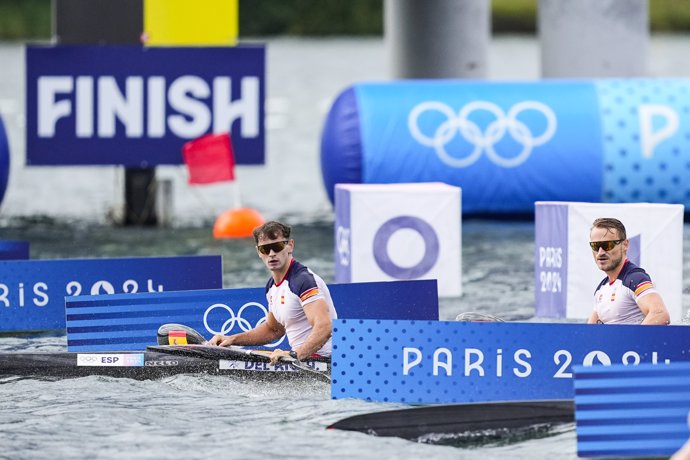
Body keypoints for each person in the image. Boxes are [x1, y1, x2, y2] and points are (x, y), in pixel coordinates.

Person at [208, 221, 338, 364]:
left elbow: (325, 326)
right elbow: (273, 330)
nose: (271, 254)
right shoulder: (271, 286)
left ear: (290, 246)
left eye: (277, 247)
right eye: (265, 249)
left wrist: (294, 356)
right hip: (302, 360)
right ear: (258, 252)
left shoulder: (303, 281)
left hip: (327, 361)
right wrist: (231, 339)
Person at [587, 217, 670, 325]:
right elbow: (589, 332)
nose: (600, 252)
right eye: (596, 246)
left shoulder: (635, 279)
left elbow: (660, 314)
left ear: (625, 245)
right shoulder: (601, 288)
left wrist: (632, 341)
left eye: (607, 245)